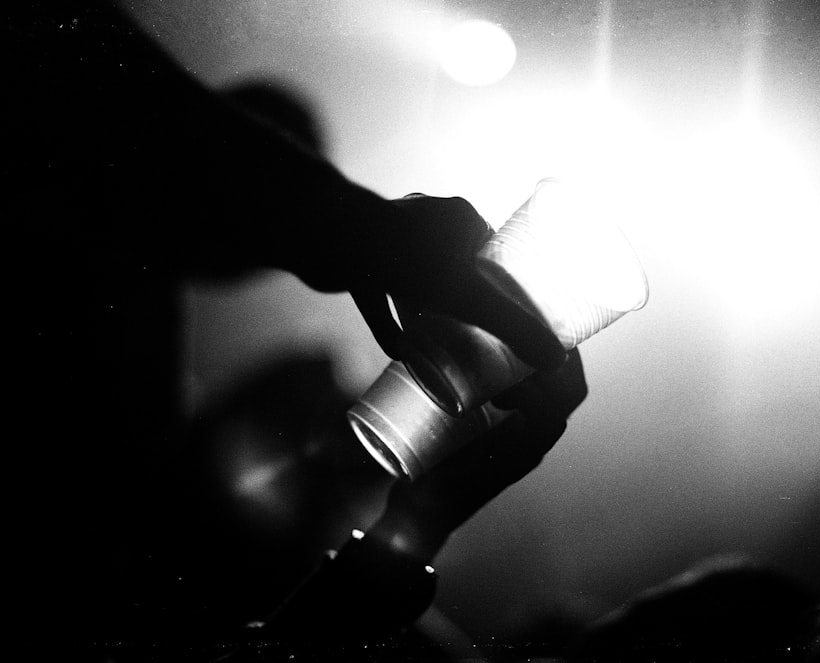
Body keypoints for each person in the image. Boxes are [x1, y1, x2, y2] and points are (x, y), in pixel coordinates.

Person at [6, 2, 577, 659]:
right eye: (250, 159)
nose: (250, 228)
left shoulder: (140, 316)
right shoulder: (93, 271)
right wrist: (355, 229)